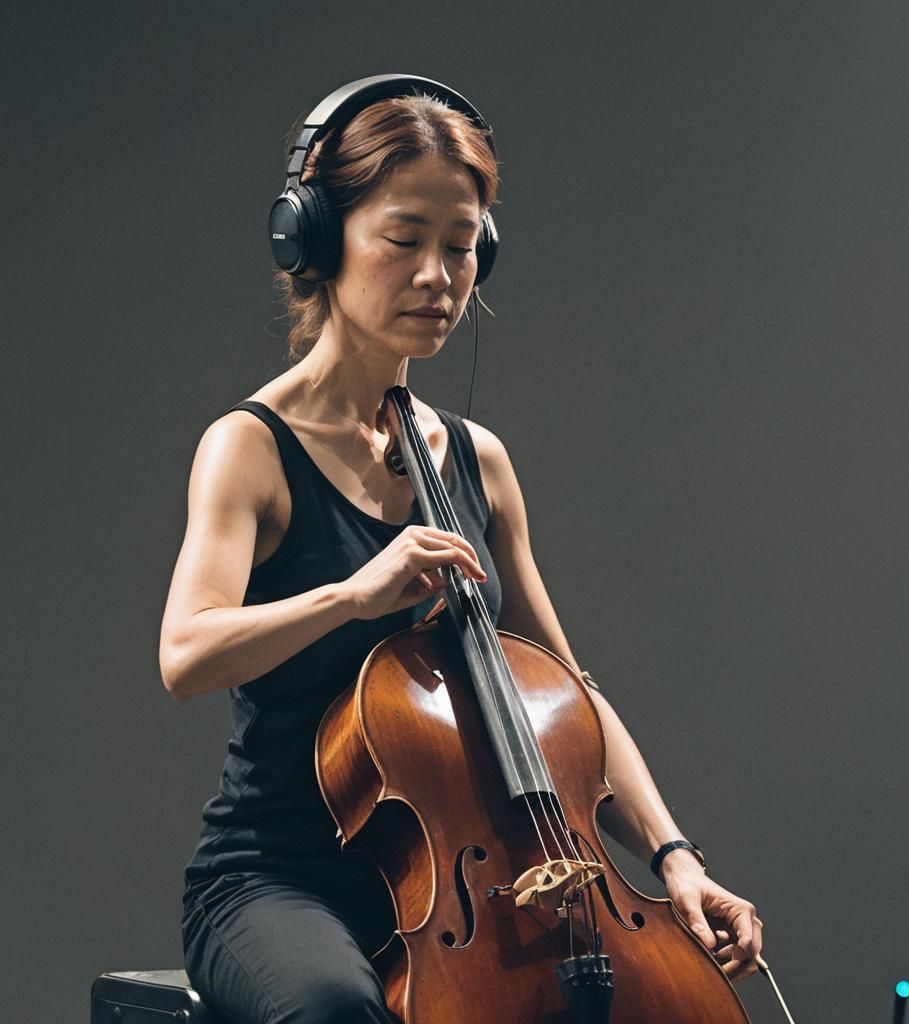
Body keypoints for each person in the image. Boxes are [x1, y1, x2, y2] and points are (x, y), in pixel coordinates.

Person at [159, 78, 763, 1024]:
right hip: (280, 886)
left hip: (466, 892)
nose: (438, 275)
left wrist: (677, 856)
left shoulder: (476, 461)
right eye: (404, 240)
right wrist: (355, 594)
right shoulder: (251, 447)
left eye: (462, 244)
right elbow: (185, 654)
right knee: (332, 1011)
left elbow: (570, 692)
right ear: (317, 240)